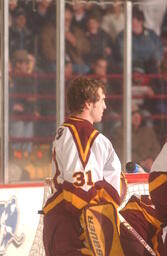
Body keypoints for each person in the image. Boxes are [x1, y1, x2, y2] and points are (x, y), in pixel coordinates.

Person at [42, 77, 127, 255]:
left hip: (65, 225)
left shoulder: (68, 130)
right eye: (102, 100)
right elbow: (80, 193)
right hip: (75, 229)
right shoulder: (81, 134)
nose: (105, 106)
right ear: (88, 103)